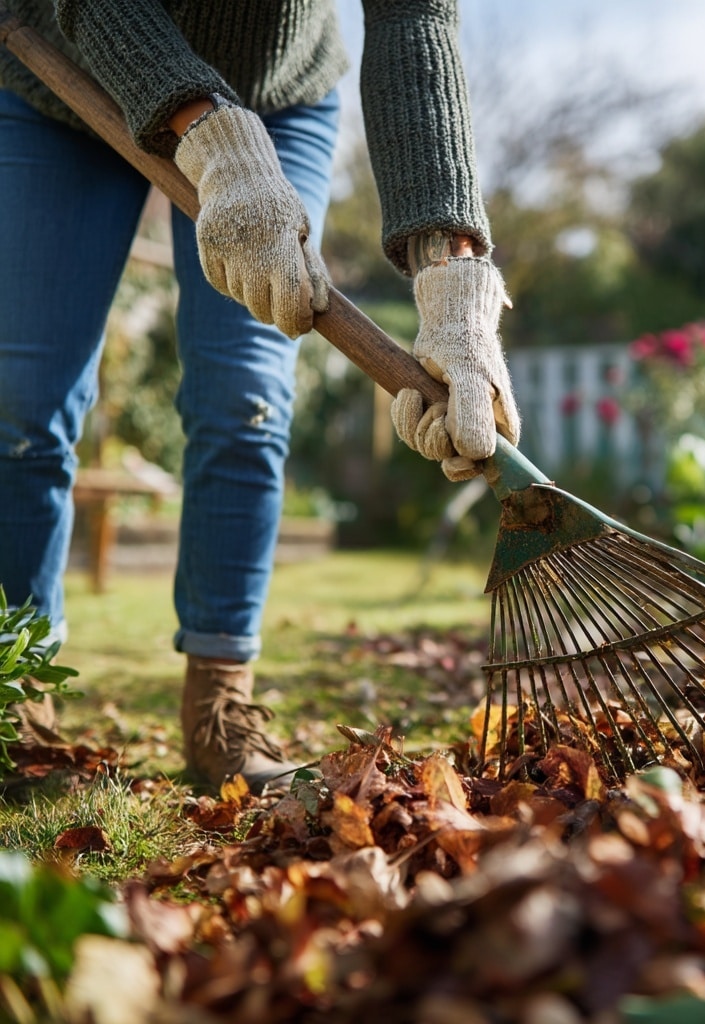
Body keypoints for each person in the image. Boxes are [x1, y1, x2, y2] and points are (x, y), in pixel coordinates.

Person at [0, 0, 520, 791]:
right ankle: (17, 692)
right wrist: (209, 137)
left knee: (248, 399)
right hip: (60, 78)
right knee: (23, 405)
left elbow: (414, 19)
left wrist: (454, 278)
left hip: (278, 96)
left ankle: (220, 708)